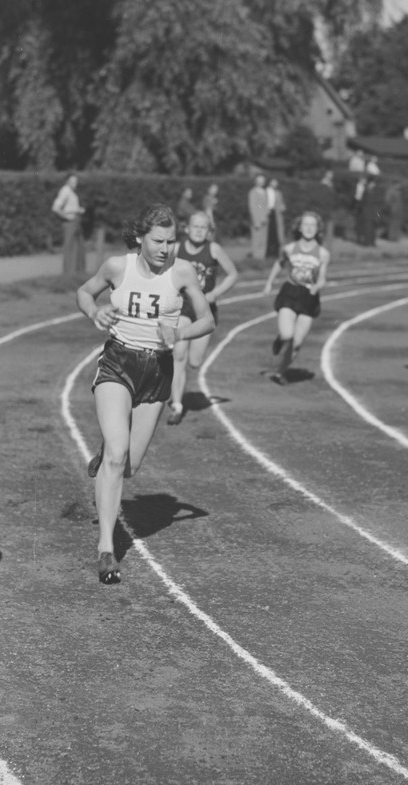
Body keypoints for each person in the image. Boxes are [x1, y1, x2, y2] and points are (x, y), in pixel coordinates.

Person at [76, 203, 215, 584]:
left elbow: (208, 319)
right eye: (157, 241)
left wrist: (180, 333)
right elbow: (85, 293)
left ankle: (107, 452)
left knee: (130, 466)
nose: (165, 249)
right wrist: (95, 313)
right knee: (119, 456)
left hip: (158, 371)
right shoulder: (117, 267)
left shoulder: (182, 271)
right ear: (140, 237)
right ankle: (107, 548)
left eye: (171, 242)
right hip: (118, 363)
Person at [167, 211, 238, 425]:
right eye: (195, 226)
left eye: (203, 227)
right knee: (178, 354)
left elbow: (233, 274)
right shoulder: (177, 248)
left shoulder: (214, 249)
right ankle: (177, 405)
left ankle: (178, 386)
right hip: (182, 306)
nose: (198, 230)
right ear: (186, 228)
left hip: (204, 309)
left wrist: (215, 294)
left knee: (195, 362)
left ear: (209, 231)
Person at [263, 211, 329, 385]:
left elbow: (322, 277)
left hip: (309, 296)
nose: (308, 228)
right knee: (287, 334)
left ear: (318, 229)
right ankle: (281, 338)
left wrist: (318, 286)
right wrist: (269, 282)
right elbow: (279, 263)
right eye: (305, 224)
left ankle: (281, 372)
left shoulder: (322, 253)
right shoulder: (290, 248)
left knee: (297, 343)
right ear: (299, 227)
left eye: (312, 225)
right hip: (290, 292)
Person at [52, 173, 86, 274]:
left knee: (77, 247)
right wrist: (66, 217)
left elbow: (71, 207)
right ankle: (68, 272)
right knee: (70, 247)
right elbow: (55, 208)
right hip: (70, 222)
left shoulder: (71, 192)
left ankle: (76, 272)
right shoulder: (65, 191)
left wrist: (78, 210)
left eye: (76, 181)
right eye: (72, 181)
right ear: (67, 181)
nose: (75, 184)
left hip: (76, 220)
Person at [248, 174, 269, 261]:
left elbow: (263, 206)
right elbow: (252, 206)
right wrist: (256, 220)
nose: (261, 182)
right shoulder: (253, 192)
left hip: (265, 219)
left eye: (262, 180)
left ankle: (262, 256)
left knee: (263, 239)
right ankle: (256, 257)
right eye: (259, 181)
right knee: (256, 238)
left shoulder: (264, 191)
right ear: (256, 182)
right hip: (257, 219)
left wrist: (266, 214)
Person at [265, 178, 286, 258]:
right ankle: (267, 252)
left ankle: (276, 252)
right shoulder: (265, 192)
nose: (275, 185)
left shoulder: (278, 193)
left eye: (276, 183)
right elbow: (259, 204)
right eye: (273, 183)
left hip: (276, 214)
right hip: (268, 213)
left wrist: (282, 207)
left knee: (276, 234)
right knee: (268, 234)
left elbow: (281, 203)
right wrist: (264, 209)